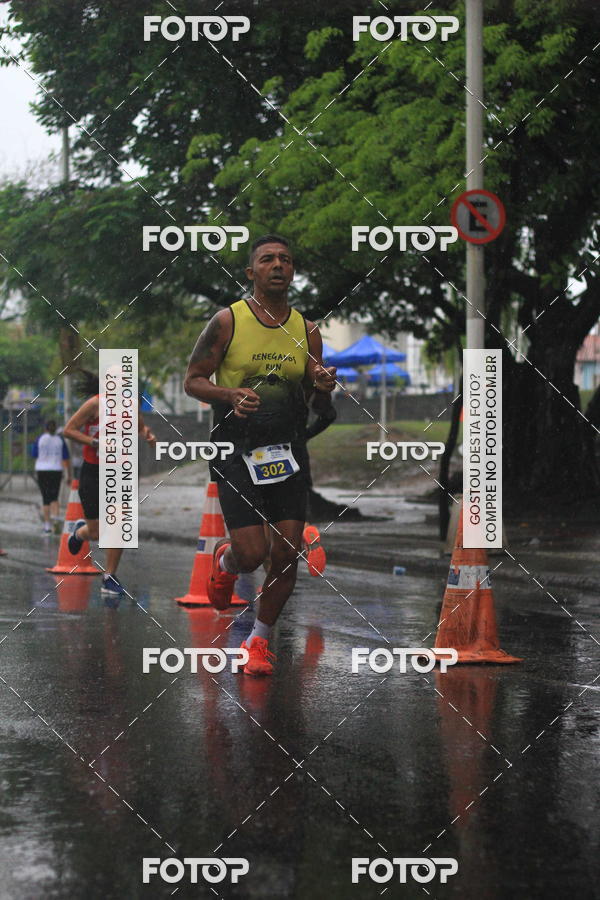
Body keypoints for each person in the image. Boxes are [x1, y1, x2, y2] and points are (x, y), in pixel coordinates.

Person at [184, 234, 336, 676]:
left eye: (285, 260)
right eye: (267, 259)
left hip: (287, 451)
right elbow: (193, 379)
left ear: (293, 271)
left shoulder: (307, 329)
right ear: (251, 273)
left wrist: (323, 386)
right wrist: (229, 393)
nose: (277, 265)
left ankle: (257, 642)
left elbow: (315, 397)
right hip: (235, 450)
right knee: (252, 554)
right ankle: (226, 560)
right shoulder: (228, 321)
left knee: (285, 554)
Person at [63, 371, 156, 597]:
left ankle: (109, 576)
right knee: (96, 532)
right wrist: (96, 442)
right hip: (93, 470)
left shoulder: (132, 405)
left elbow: (140, 428)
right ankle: (81, 532)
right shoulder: (95, 404)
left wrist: (147, 435)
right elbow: (69, 430)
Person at [32, 420, 70, 533]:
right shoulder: (60, 440)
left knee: (45, 499)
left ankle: (47, 525)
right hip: (56, 470)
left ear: (45, 428)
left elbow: (34, 454)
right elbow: (65, 457)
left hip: (42, 470)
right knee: (54, 497)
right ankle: (56, 520)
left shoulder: (40, 439)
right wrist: (68, 474)